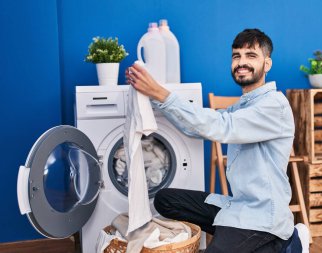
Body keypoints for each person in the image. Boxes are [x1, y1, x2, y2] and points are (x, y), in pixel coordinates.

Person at [125, 28, 309, 253]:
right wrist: (153, 99)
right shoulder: (243, 106)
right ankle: (243, 240)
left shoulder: (274, 105)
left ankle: (289, 243)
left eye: (251, 56)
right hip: (237, 207)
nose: (242, 62)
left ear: (267, 64)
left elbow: (221, 127)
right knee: (164, 199)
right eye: (236, 56)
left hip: (262, 218)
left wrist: (161, 92)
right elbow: (197, 130)